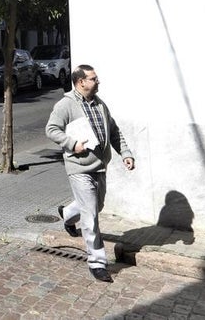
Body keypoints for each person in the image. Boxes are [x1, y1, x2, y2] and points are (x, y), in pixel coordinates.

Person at [45, 64, 134, 282]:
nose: (97, 81)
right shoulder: (66, 105)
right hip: (78, 168)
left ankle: (67, 214)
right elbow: (51, 129)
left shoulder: (100, 104)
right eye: (93, 78)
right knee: (90, 215)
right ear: (81, 82)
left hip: (100, 166)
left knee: (96, 206)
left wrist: (125, 153)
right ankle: (97, 263)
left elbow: (114, 131)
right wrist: (72, 144)